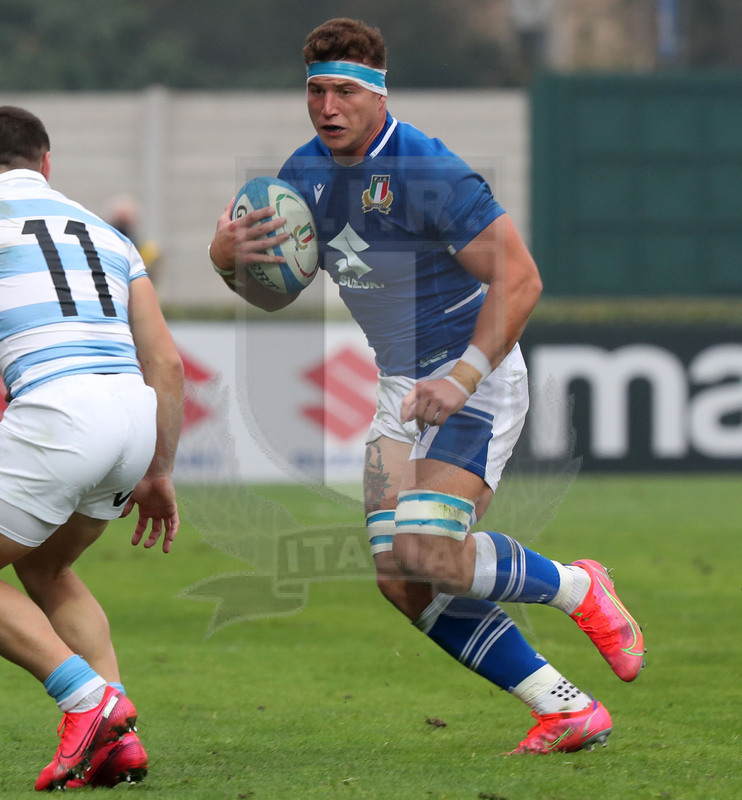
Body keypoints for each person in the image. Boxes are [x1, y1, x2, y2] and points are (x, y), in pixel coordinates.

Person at [208, 19, 644, 755]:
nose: (327, 107)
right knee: (400, 578)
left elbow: (523, 279)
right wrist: (227, 258)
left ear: (379, 93)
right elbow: (275, 295)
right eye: (316, 91)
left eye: (345, 90)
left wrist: (463, 374)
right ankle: (564, 707)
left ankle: (578, 587)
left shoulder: (428, 172)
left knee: (429, 552)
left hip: (474, 376)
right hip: (399, 388)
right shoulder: (302, 175)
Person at [0, 106, 184, 789]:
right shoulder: (107, 232)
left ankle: (89, 701)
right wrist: (159, 469)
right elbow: (166, 362)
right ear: (46, 164)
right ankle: (120, 743)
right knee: (46, 569)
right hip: (131, 421)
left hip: (57, 414)